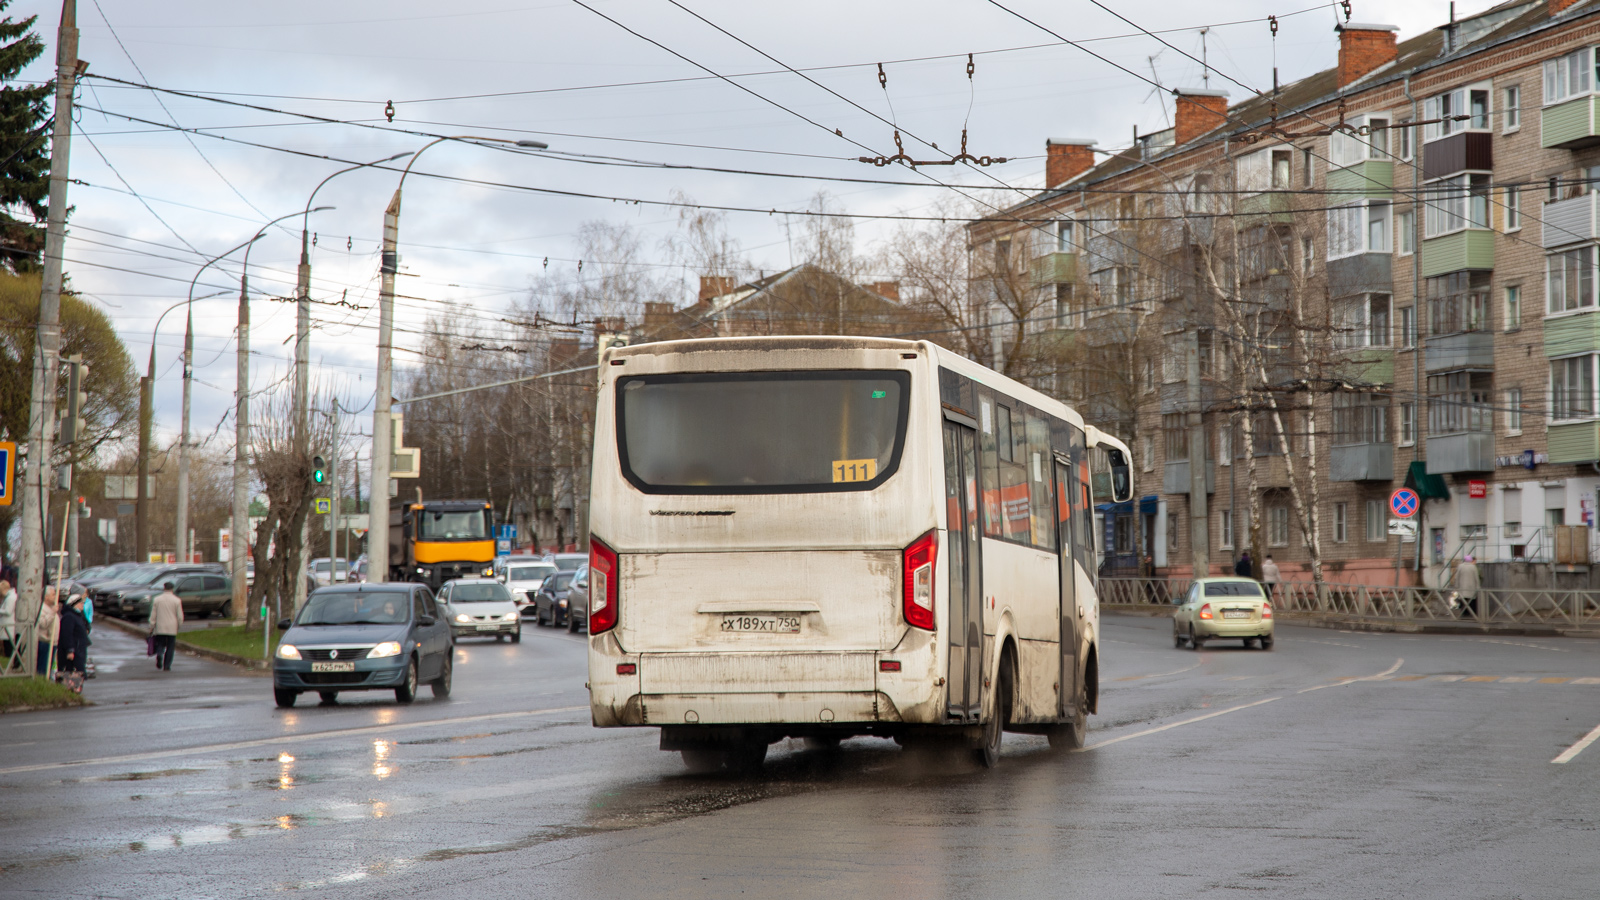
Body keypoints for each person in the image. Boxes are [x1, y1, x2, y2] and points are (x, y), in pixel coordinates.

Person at [56, 592, 90, 693]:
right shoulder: (69, 617)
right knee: (71, 671)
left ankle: (75, 690)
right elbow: (67, 635)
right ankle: (69, 691)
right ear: (74, 604)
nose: (83, 605)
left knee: (77, 671)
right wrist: (69, 650)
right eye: (81, 603)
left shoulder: (77, 615)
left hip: (78, 648)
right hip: (73, 650)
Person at [149, 581, 183, 672]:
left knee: (160, 643)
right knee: (170, 646)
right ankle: (167, 665)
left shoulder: (157, 599)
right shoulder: (177, 600)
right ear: (172, 589)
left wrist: (152, 625)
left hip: (160, 626)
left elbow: (153, 614)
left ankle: (159, 654)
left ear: (164, 588)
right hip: (172, 626)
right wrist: (178, 626)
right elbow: (180, 616)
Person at [36, 587, 60, 676]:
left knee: (49, 669)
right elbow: (42, 623)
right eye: (53, 594)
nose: (56, 596)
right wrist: (52, 612)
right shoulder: (41, 608)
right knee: (43, 669)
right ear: (46, 597)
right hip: (45, 642)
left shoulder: (51, 607)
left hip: (52, 643)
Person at [1456, 554, 1481, 620]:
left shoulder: (1460, 566)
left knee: (1463, 600)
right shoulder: (1473, 567)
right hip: (1471, 587)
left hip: (1462, 586)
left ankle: (1464, 613)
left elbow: (1457, 577)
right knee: (1472, 600)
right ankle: (1473, 613)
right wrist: (1478, 587)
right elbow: (1476, 578)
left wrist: (1456, 586)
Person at [0, 578, 16, 669]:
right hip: (6, 626)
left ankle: (10, 666)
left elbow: (8, 611)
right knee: (7, 646)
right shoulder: (9, 597)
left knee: (9, 647)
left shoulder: (11, 598)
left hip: (8, 626)